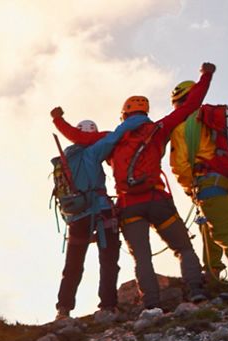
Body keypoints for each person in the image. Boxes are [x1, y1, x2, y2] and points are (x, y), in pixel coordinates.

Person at [55, 63, 216, 312]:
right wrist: (206, 76)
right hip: (158, 200)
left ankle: (152, 305)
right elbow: (189, 106)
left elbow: (79, 138)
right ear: (146, 112)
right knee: (183, 248)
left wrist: (58, 120)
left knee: (142, 257)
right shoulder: (159, 129)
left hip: (129, 207)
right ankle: (196, 292)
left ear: (124, 115)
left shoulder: (113, 138)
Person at [168, 79, 228, 303]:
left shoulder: (182, 127)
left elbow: (180, 165)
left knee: (223, 232)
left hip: (210, 183)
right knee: (211, 225)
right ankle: (213, 272)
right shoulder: (215, 119)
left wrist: (190, 188)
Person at [48, 117, 141, 321]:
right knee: (108, 260)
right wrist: (135, 120)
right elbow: (114, 137)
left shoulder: (65, 158)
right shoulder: (92, 152)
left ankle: (63, 309)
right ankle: (107, 306)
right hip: (100, 211)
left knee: (73, 265)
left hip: (76, 217)